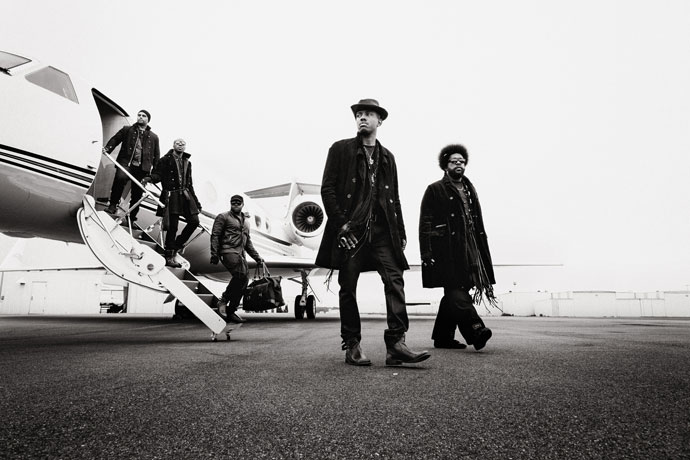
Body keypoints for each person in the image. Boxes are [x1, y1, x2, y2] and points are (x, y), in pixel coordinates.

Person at [316, 98, 430, 367]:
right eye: (359, 114)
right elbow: (327, 190)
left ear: (380, 121)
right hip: (351, 231)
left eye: (368, 114)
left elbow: (395, 198)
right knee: (348, 286)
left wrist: (400, 231)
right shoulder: (340, 149)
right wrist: (342, 226)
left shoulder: (388, 157)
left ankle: (396, 344)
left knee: (395, 279)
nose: (362, 118)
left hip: (382, 231)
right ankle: (352, 345)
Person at [418, 144, 496, 351]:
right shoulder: (434, 189)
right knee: (455, 288)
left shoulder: (470, 189)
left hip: (471, 246)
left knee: (456, 290)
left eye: (462, 161)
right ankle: (476, 329)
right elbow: (425, 222)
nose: (459, 164)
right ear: (445, 166)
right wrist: (426, 252)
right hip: (446, 249)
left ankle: (443, 337)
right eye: (454, 161)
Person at [148, 138, 202, 267]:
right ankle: (169, 255)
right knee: (172, 227)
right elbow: (158, 175)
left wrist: (196, 202)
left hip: (186, 196)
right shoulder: (165, 160)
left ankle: (177, 245)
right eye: (178, 143)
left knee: (194, 221)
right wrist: (149, 178)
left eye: (183, 144)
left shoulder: (187, 162)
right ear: (173, 145)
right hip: (171, 195)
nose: (180, 145)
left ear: (185, 147)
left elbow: (190, 184)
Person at [210, 195, 263, 324]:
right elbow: (215, 235)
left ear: (242, 205)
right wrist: (214, 253)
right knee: (240, 275)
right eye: (233, 202)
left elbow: (248, 243)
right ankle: (223, 300)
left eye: (238, 203)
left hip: (240, 255)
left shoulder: (246, 222)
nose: (235, 204)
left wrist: (257, 257)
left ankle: (231, 310)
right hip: (227, 251)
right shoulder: (223, 217)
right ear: (230, 204)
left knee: (244, 281)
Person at [103, 109, 160, 221]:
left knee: (137, 192)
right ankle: (113, 205)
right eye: (139, 115)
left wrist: (154, 174)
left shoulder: (154, 137)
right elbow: (115, 139)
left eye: (143, 116)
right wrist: (108, 149)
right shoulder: (127, 129)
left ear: (148, 120)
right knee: (120, 179)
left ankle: (132, 216)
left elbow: (156, 155)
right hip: (126, 163)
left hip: (142, 168)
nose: (140, 117)